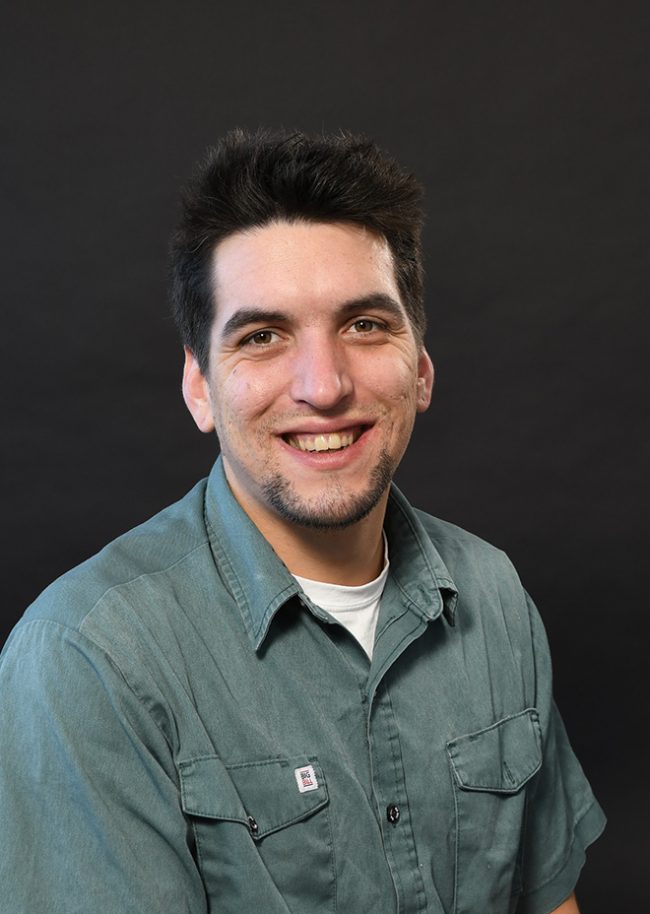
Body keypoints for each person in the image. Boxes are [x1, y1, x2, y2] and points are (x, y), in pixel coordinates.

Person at [0, 129, 605, 914]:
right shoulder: (88, 660)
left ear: (421, 368)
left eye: (365, 325)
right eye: (263, 336)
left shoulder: (493, 596)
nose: (323, 386)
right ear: (199, 387)